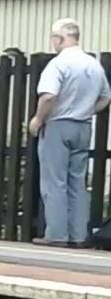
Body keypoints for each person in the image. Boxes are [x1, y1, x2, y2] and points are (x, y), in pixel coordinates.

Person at [29, 18, 111, 247]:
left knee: (54, 181)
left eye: (53, 38)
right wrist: (87, 110)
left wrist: (38, 119)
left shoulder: (58, 64)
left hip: (58, 124)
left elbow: (48, 96)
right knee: (77, 182)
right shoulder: (93, 65)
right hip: (83, 126)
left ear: (59, 38)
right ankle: (78, 235)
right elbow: (106, 97)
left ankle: (56, 234)